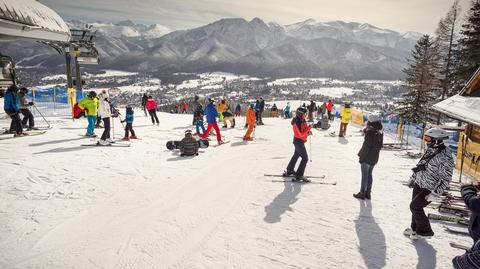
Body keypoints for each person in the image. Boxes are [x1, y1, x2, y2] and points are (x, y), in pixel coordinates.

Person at [403, 127, 454, 239]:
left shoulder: (446, 156)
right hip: (419, 182)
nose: (426, 140)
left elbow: (446, 178)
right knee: (415, 208)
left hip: (430, 187)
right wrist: (413, 177)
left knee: (415, 207)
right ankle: (414, 229)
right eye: (425, 137)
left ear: (437, 139)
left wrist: (435, 193)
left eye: (428, 138)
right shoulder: (431, 149)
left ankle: (425, 231)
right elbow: (421, 165)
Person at [353, 114, 384, 200]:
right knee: (369, 174)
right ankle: (368, 193)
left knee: (365, 175)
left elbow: (366, 147)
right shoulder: (379, 131)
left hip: (367, 157)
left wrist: (361, 156)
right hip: (374, 157)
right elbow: (380, 146)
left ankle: (362, 192)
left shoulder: (370, 132)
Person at [283, 107, 312, 182]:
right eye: (305, 113)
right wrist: (308, 129)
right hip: (298, 141)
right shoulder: (297, 122)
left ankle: (290, 170)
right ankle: (299, 175)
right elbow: (300, 134)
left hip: (299, 141)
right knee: (305, 158)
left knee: (296, 155)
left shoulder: (302, 120)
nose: (306, 115)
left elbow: (303, 131)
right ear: (301, 114)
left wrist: (308, 133)